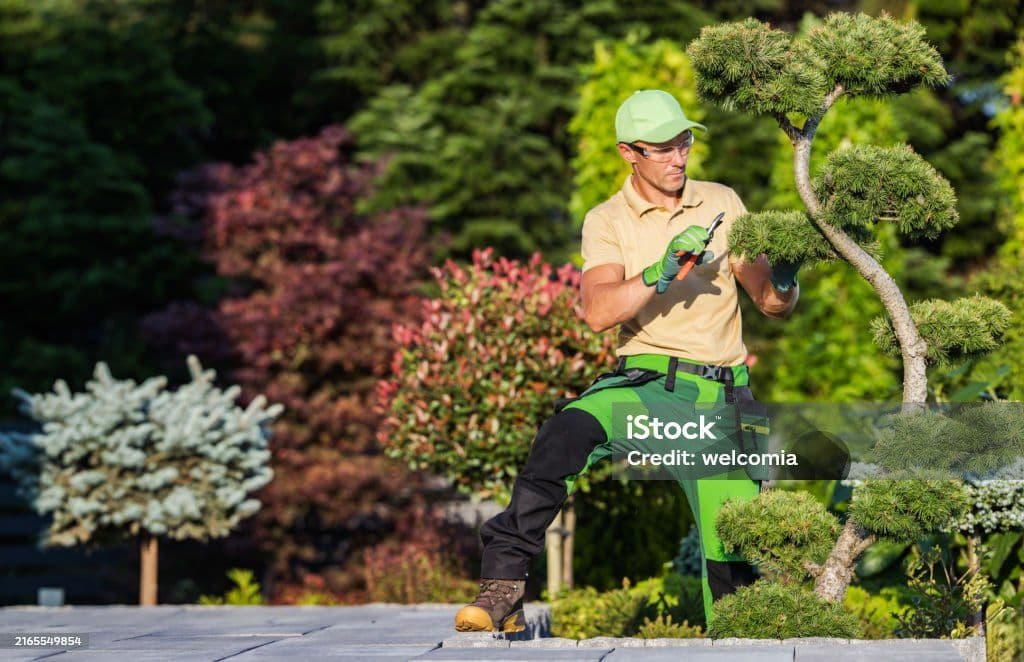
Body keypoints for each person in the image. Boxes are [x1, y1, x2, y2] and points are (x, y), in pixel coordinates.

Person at [454, 89, 800, 634]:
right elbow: (598, 311)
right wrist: (658, 273)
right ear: (628, 153)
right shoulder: (607, 220)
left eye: (684, 143)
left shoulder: (723, 201)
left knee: (732, 572)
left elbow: (771, 304)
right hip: (647, 388)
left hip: (723, 401)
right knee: (565, 432)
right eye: (663, 148)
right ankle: (503, 586)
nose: (678, 157)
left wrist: (785, 276)